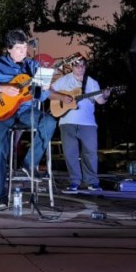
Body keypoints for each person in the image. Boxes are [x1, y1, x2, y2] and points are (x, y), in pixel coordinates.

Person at [0, 29, 57, 211]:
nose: (23, 52)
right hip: (1, 114)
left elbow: (41, 98)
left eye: (25, 48)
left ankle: (29, 163)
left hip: (25, 111)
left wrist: (44, 88)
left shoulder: (33, 66)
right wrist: (1, 88)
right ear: (9, 49)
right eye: (19, 48)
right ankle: (0, 197)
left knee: (49, 122)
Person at [49, 57, 111, 193]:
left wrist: (105, 95)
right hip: (67, 121)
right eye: (77, 65)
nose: (80, 68)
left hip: (88, 123)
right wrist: (61, 97)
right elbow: (48, 91)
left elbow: (100, 101)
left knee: (90, 153)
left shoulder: (92, 82)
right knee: (70, 153)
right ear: (72, 66)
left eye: (82, 65)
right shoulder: (64, 80)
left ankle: (92, 182)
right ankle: (74, 181)